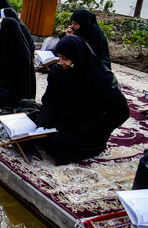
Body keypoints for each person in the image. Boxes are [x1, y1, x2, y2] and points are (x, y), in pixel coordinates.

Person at [36, 35, 129, 165]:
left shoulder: (101, 79)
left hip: (87, 129)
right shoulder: (59, 71)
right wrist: (44, 120)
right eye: (59, 57)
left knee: (58, 142)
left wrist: (92, 128)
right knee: (35, 124)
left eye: (66, 59)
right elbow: (50, 99)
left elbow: (121, 112)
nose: (61, 63)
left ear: (78, 57)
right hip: (65, 119)